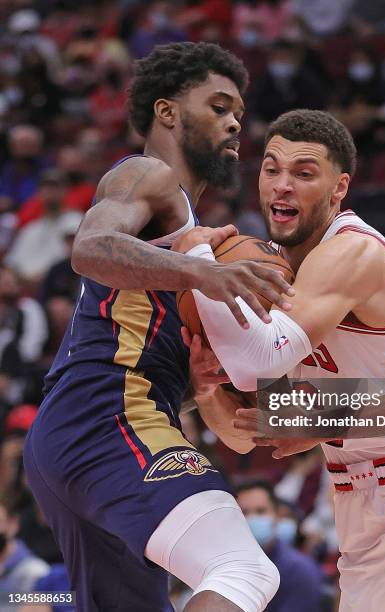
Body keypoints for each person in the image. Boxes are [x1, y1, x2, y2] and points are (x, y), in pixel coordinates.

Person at [174, 109, 385, 612]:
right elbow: (248, 435)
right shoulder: (273, 272)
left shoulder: (353, 252)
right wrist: (205, 391)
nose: (282, 186)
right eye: (271, 169)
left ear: (339, 188)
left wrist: (195, 262)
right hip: (357, 503)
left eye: (304, 173)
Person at [23, 42, 295, 612]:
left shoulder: (185, 225)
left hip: (78, 426)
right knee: (242, 568)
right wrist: (201, 274)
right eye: (219, 106)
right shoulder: (149, 175)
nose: (233, 124)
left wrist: (193, 388)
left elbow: (126, 332)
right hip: (107, 417)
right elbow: (91, 246)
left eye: (238, 115)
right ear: (167, 111)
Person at [236, 480, 325, 612]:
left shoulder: (299, 570)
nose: (252, 519)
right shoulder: (223, 564)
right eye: (244, 512)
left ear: (277, 515)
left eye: (261, 511)